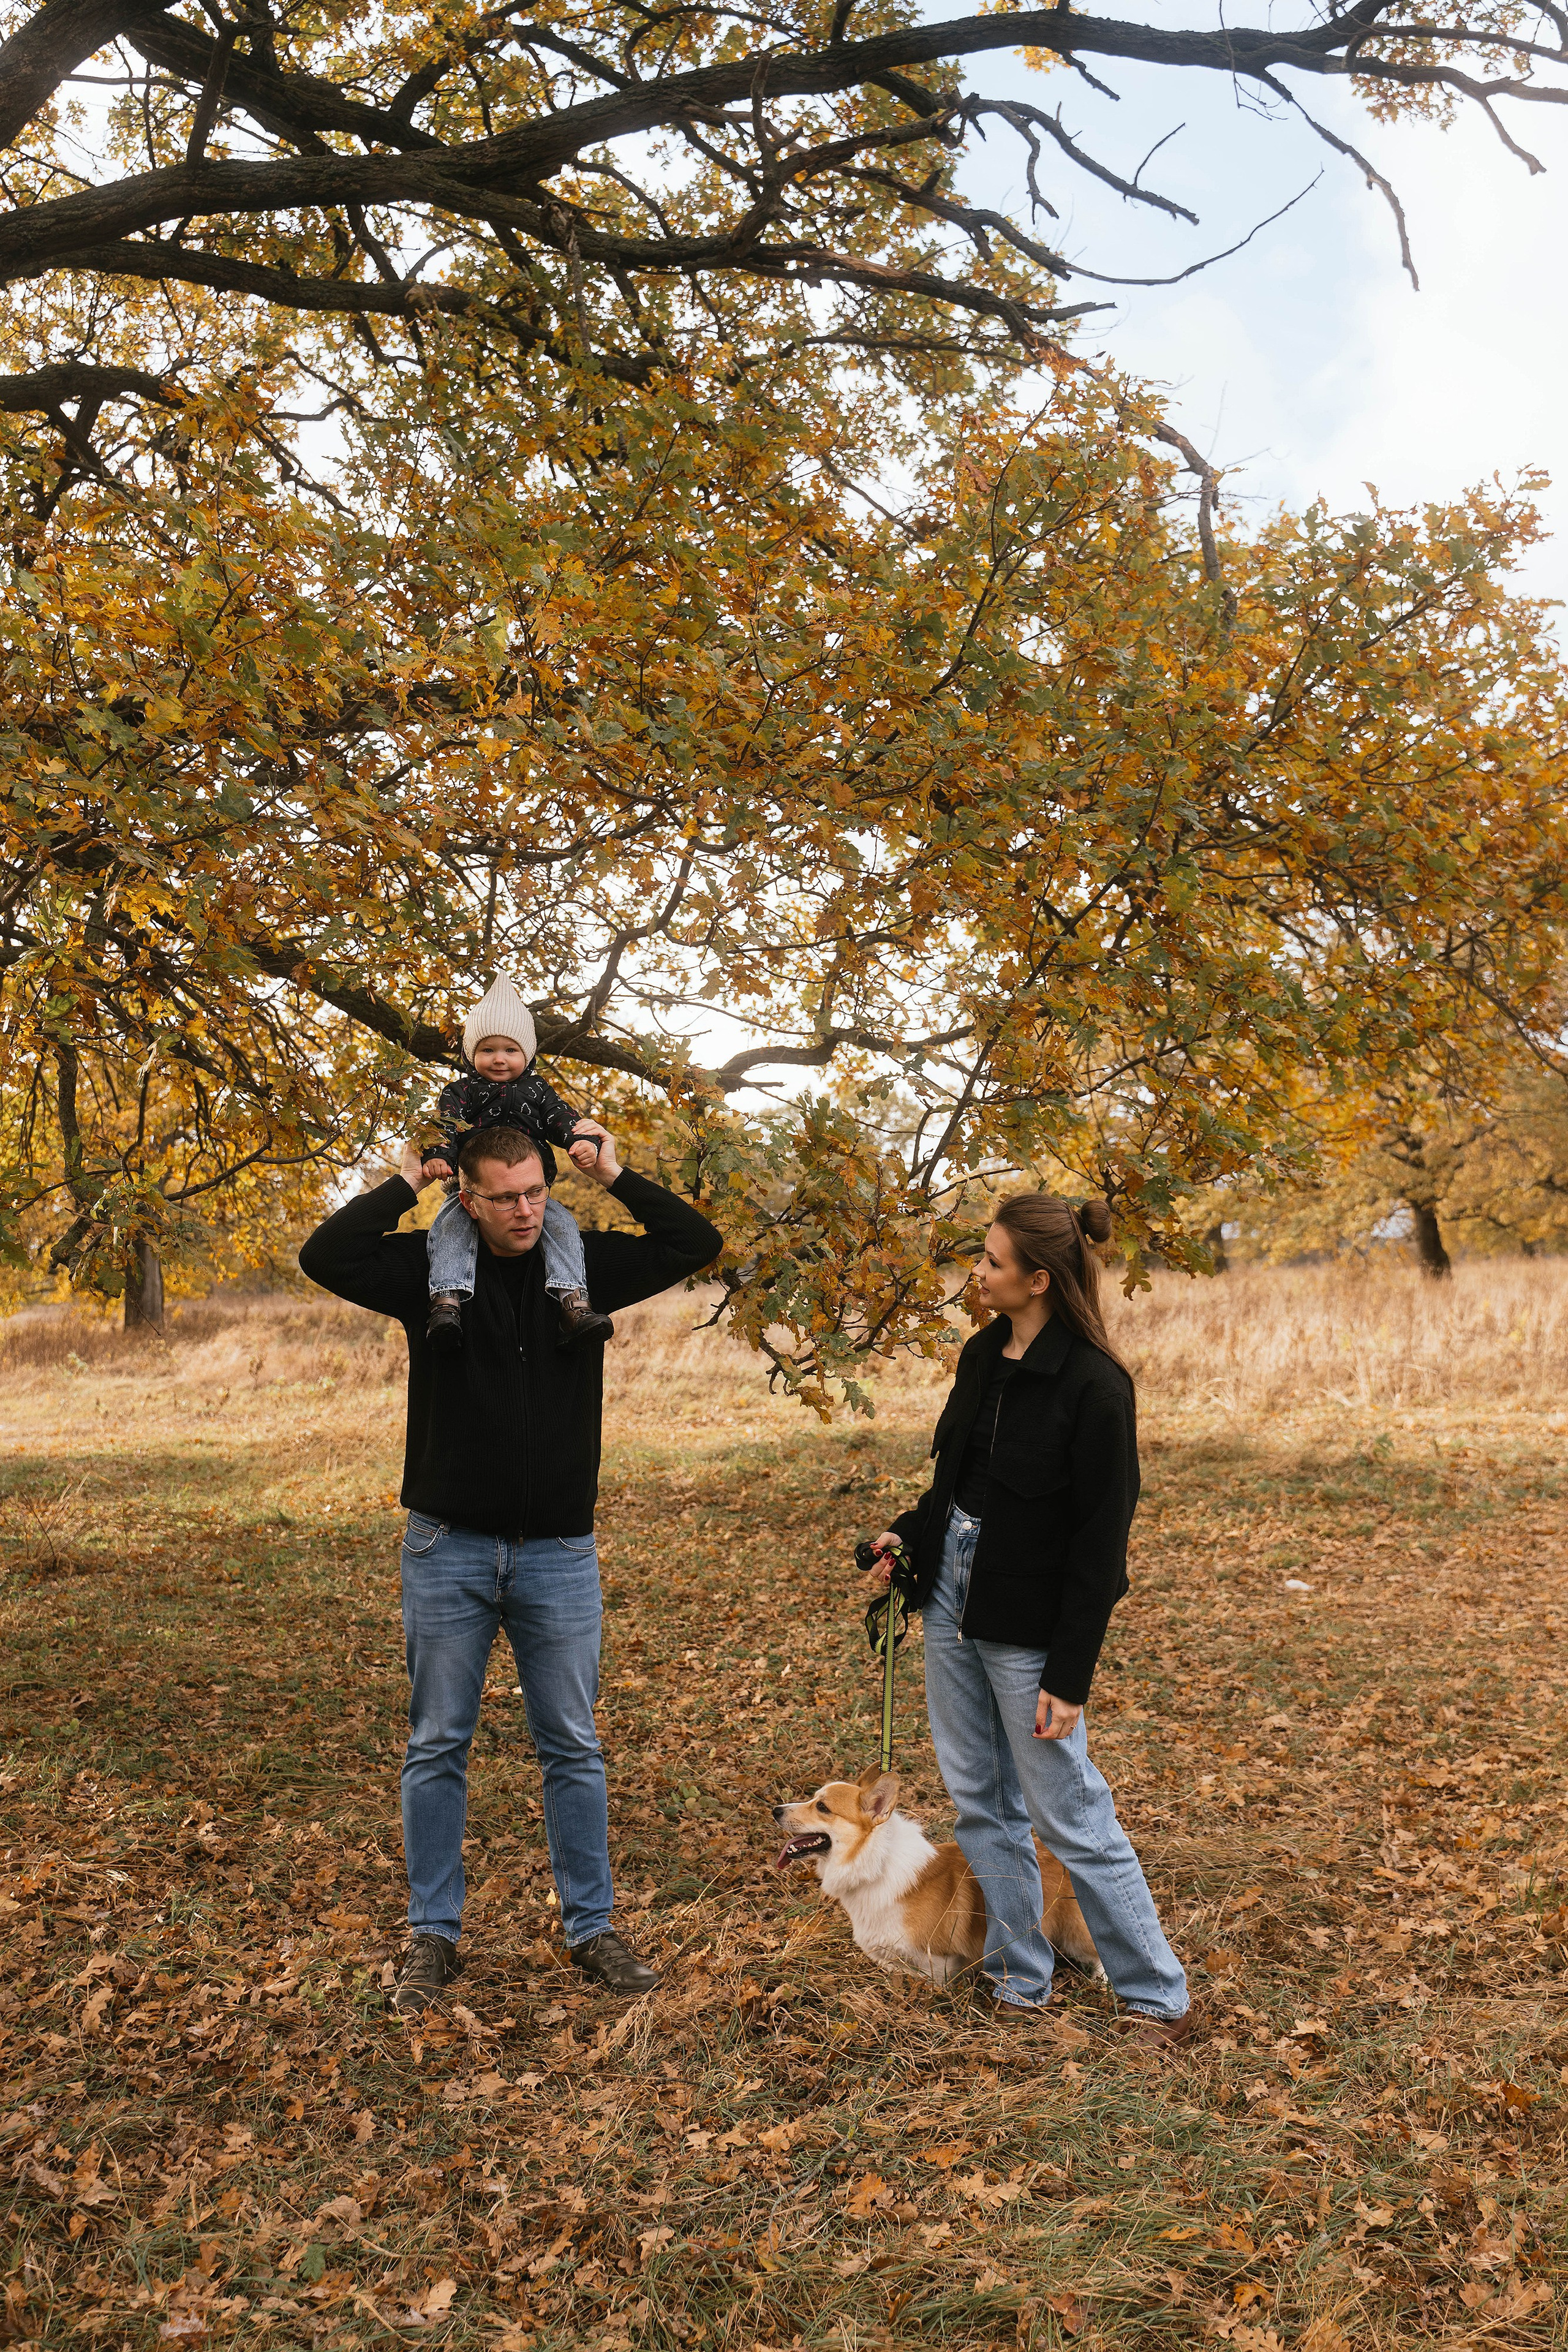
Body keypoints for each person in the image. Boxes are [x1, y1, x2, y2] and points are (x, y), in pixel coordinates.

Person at [299, 1118, 722, 2016]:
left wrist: (614, 1172)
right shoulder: (429, 1273)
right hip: (447, 1545)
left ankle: (592, 1928)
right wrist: (404, 1184)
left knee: (571, 1745)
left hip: (559, 1554)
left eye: (537, 1192)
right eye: (504, 1197)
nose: (526, 1210)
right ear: (469, 1198)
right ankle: (432, 1935)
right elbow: (325, 1254)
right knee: (437, 1745)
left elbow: (695, 1241)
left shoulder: (584, 1267)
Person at [867, 1194, 1191, 2045]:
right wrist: (906, 1535)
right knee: (979, 1804)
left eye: (993, 1260)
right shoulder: (983, 1356)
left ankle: (1156, 1994)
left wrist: (1068, 1675)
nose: (976, 1271)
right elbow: (956, 1489)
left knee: (1069, 1813)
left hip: (1029, 1624)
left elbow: (1100, 1550)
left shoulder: (1095, 1386)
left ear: (1039, 1279)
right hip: (951, 1601)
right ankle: (1018, 1973)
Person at [421, 975, 613, 1353]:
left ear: (527, 1054)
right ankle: (446, 1301)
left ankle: (573, 1302)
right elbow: (444, 1123)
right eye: (488, 1049)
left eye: (510, 1050)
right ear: (470, 1055)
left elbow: (562, 1118)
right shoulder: (462, 1091)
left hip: (530, 1183)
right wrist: (439, 1155)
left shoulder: (538, 1090)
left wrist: (582, 1142)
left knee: (560, 1224)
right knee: (450, 1226)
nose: (499, 1059)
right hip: (474, 1188)